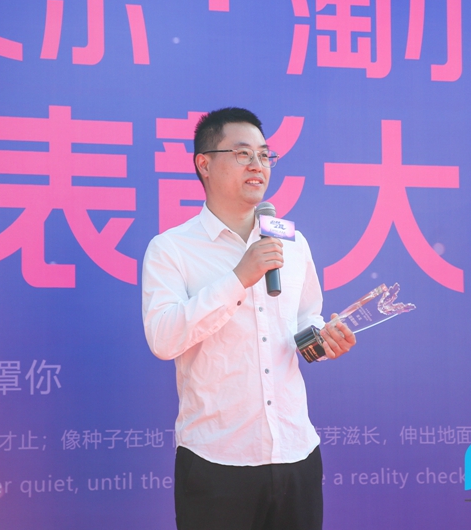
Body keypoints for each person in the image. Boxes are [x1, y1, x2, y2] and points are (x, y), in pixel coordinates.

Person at [142, 107, 356, 530]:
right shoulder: (171, 249)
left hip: (295, 451)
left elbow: (303, 320)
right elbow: (163, 339)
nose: (258, 165)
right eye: (242, 154)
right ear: (204, 164)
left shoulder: (291, 243)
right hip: (217, 461)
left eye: (264, 154)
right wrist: (238, 278)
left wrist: (323, 339)